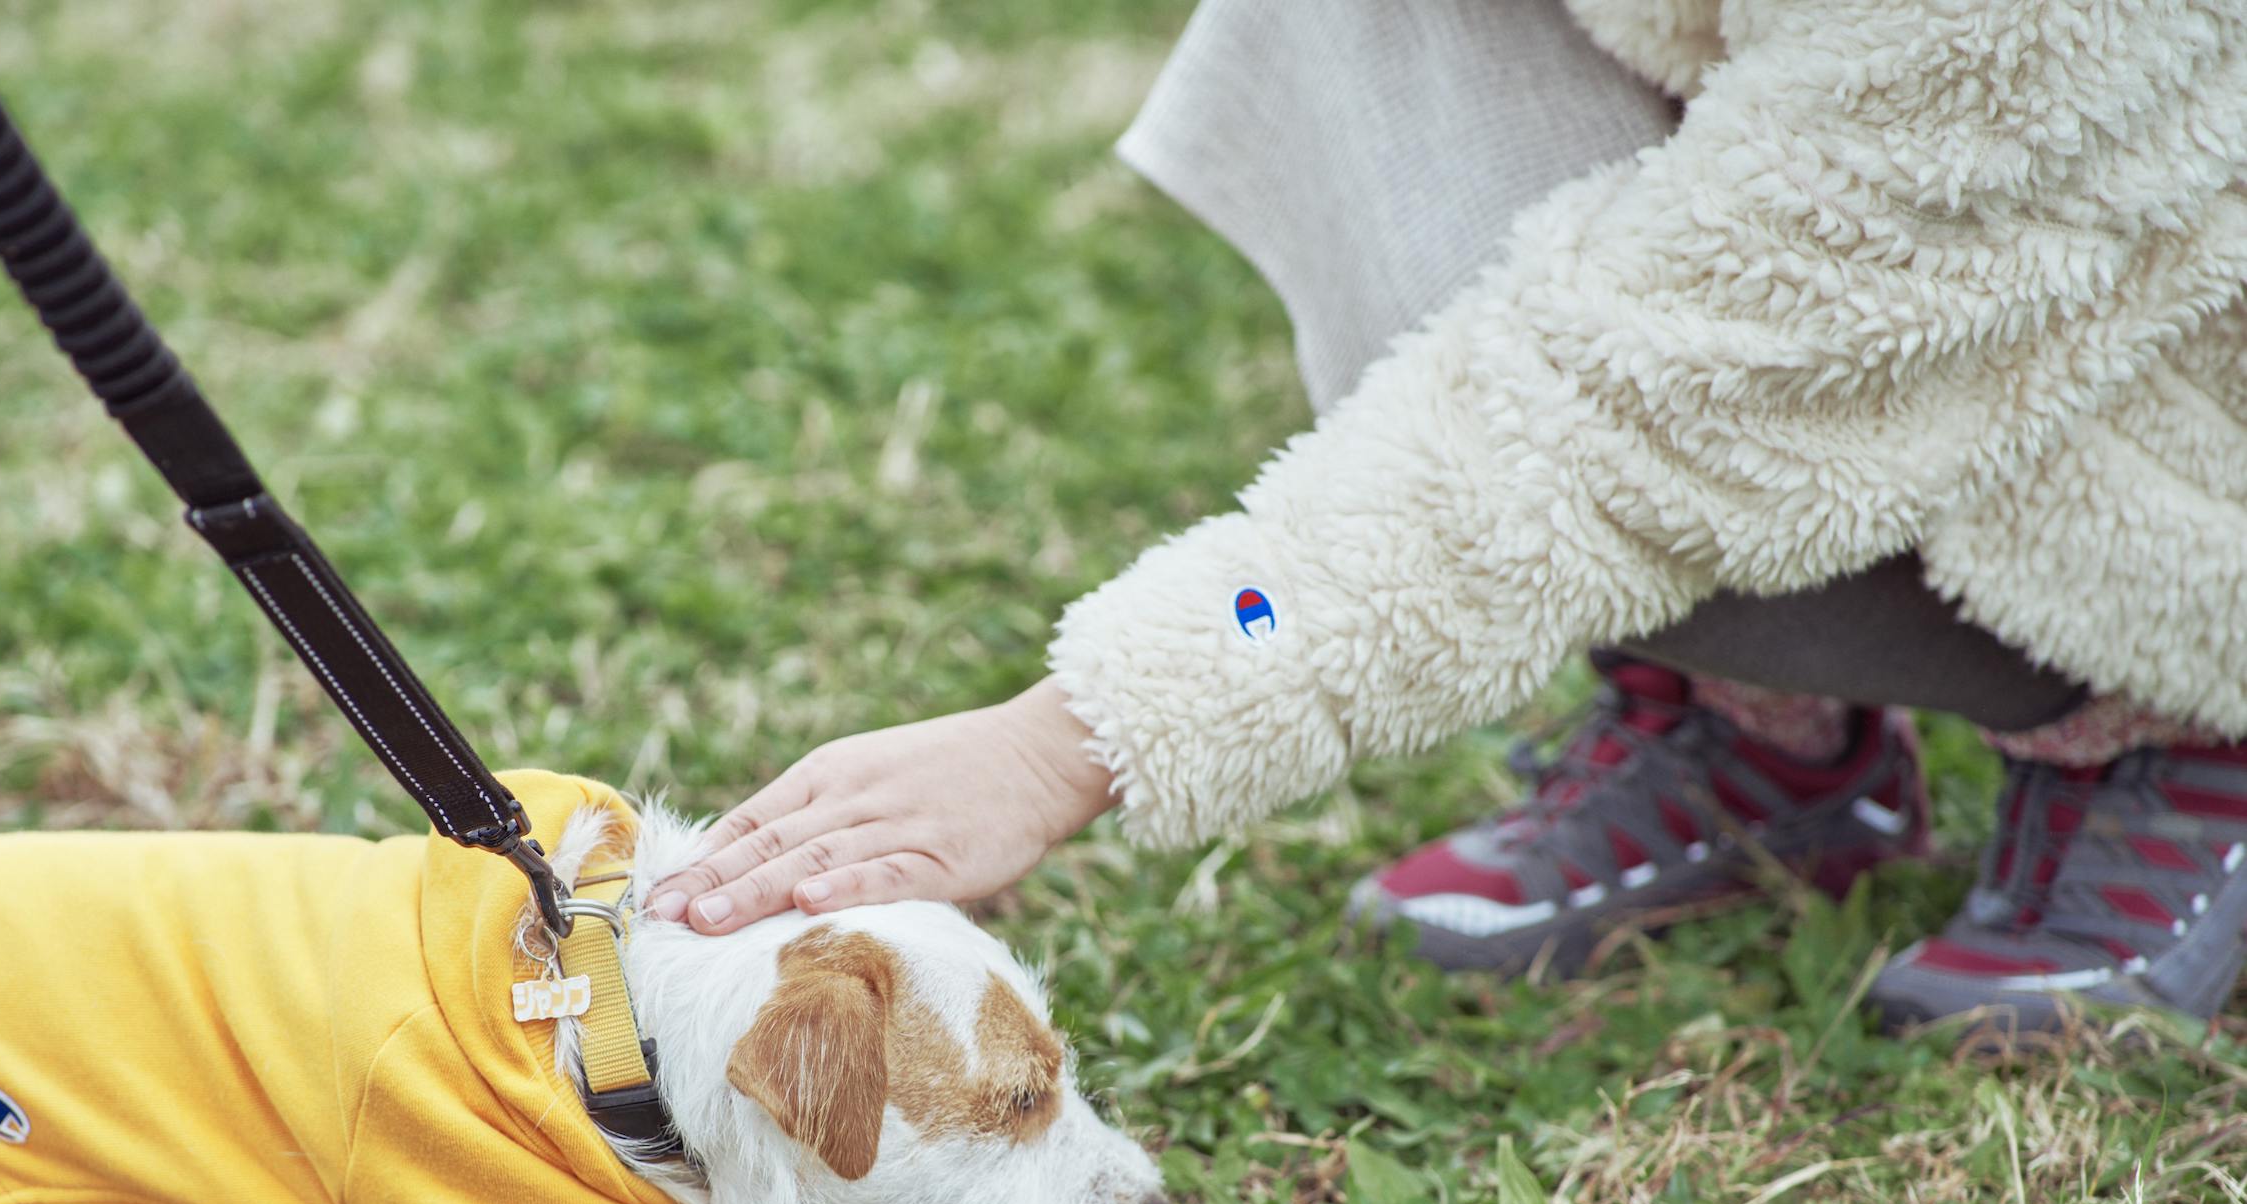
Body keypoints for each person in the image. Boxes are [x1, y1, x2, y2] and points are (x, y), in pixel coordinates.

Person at [648, 0, 2247, 1034]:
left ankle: (2163, 720)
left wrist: (1074, 734)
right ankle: (1768, 718)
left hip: (2174, 433)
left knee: (1589, 438)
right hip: (1842, 250)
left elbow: (1607, 422)